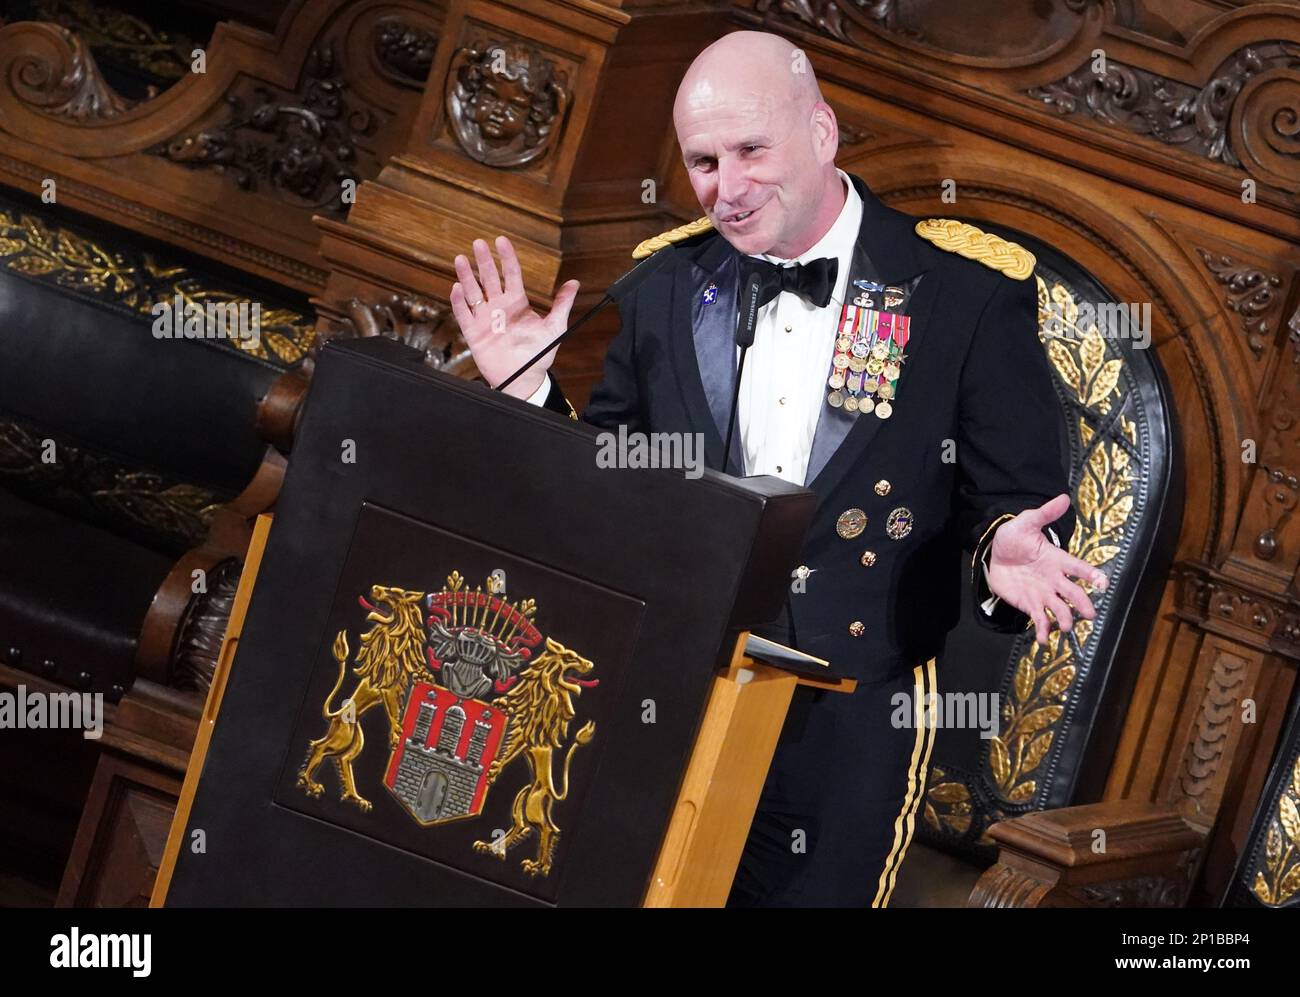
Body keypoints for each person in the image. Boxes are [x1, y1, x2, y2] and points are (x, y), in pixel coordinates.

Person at [447, 29, 1108, 906]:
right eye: (704, 161)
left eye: (752, 149)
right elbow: (612, 496)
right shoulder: (662, 289)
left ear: (822, 133)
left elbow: (1017, 502)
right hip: (668, 685)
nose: (728, 187)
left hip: (846, 714)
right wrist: (531, 395)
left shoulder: (964, 296)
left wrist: (999, 554)